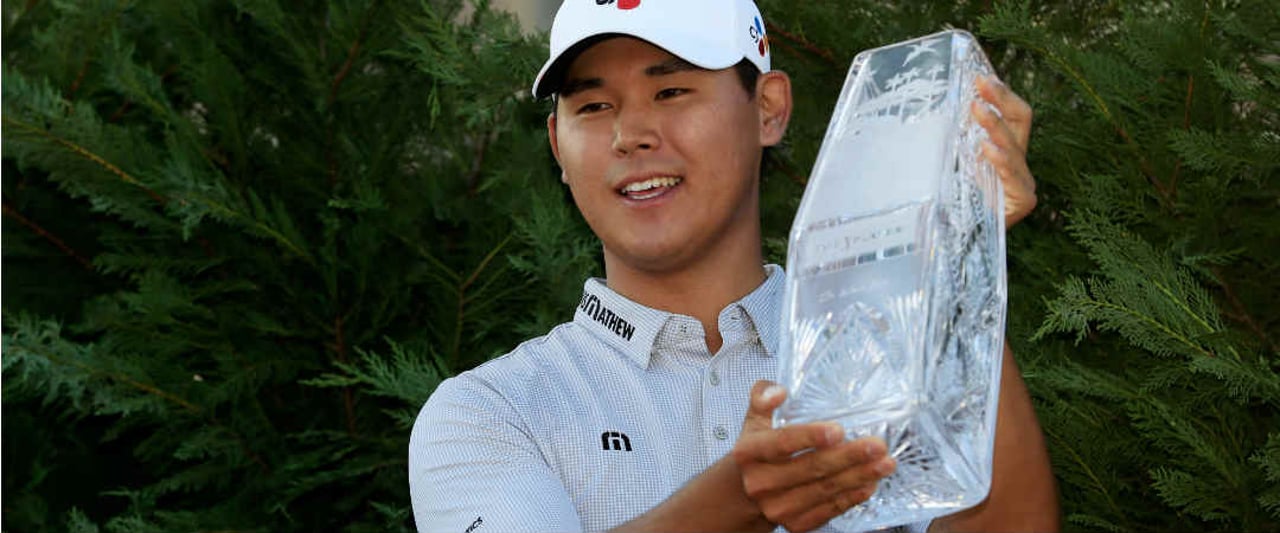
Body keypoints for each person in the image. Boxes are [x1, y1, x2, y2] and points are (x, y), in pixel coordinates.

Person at [409, 0, 1058, 531]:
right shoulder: (490, 412)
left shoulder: (884, 351)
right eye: (593, 105)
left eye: (671, 89)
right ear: (557, 142)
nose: (630, 133)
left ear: (769, 108)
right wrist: (741, 494)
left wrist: (956, 251)